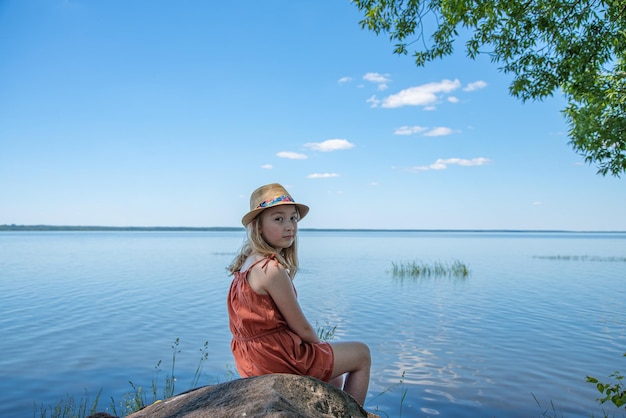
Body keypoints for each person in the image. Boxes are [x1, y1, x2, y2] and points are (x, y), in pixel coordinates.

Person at [227, 183, 371, 405]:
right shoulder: (271, 269)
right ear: (258, 226)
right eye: (278, 219)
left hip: (252, 358)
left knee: (334, 375)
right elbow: (301, 327)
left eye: (293, 218)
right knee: (361, 354)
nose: (289, 226)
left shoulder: (245, 263)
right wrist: (319, 347)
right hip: (277, 357)